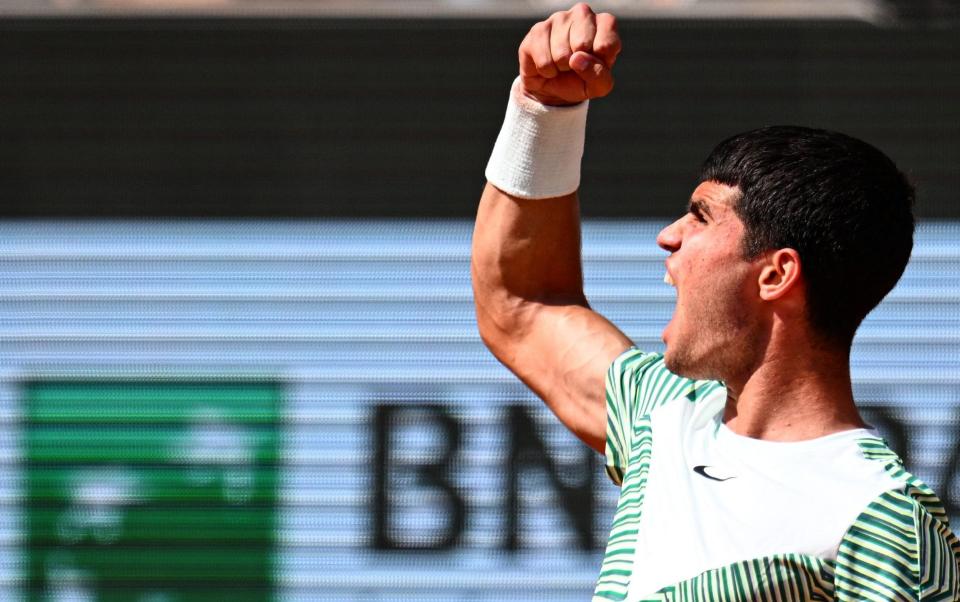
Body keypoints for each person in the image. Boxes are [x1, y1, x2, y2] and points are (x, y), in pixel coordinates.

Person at [471, 3, 960, 600]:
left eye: (701, 215)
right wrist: (544, 110)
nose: (668, 235)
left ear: (776, 274)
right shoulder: (665, 413)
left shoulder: (888, 525)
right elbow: (521, 303)